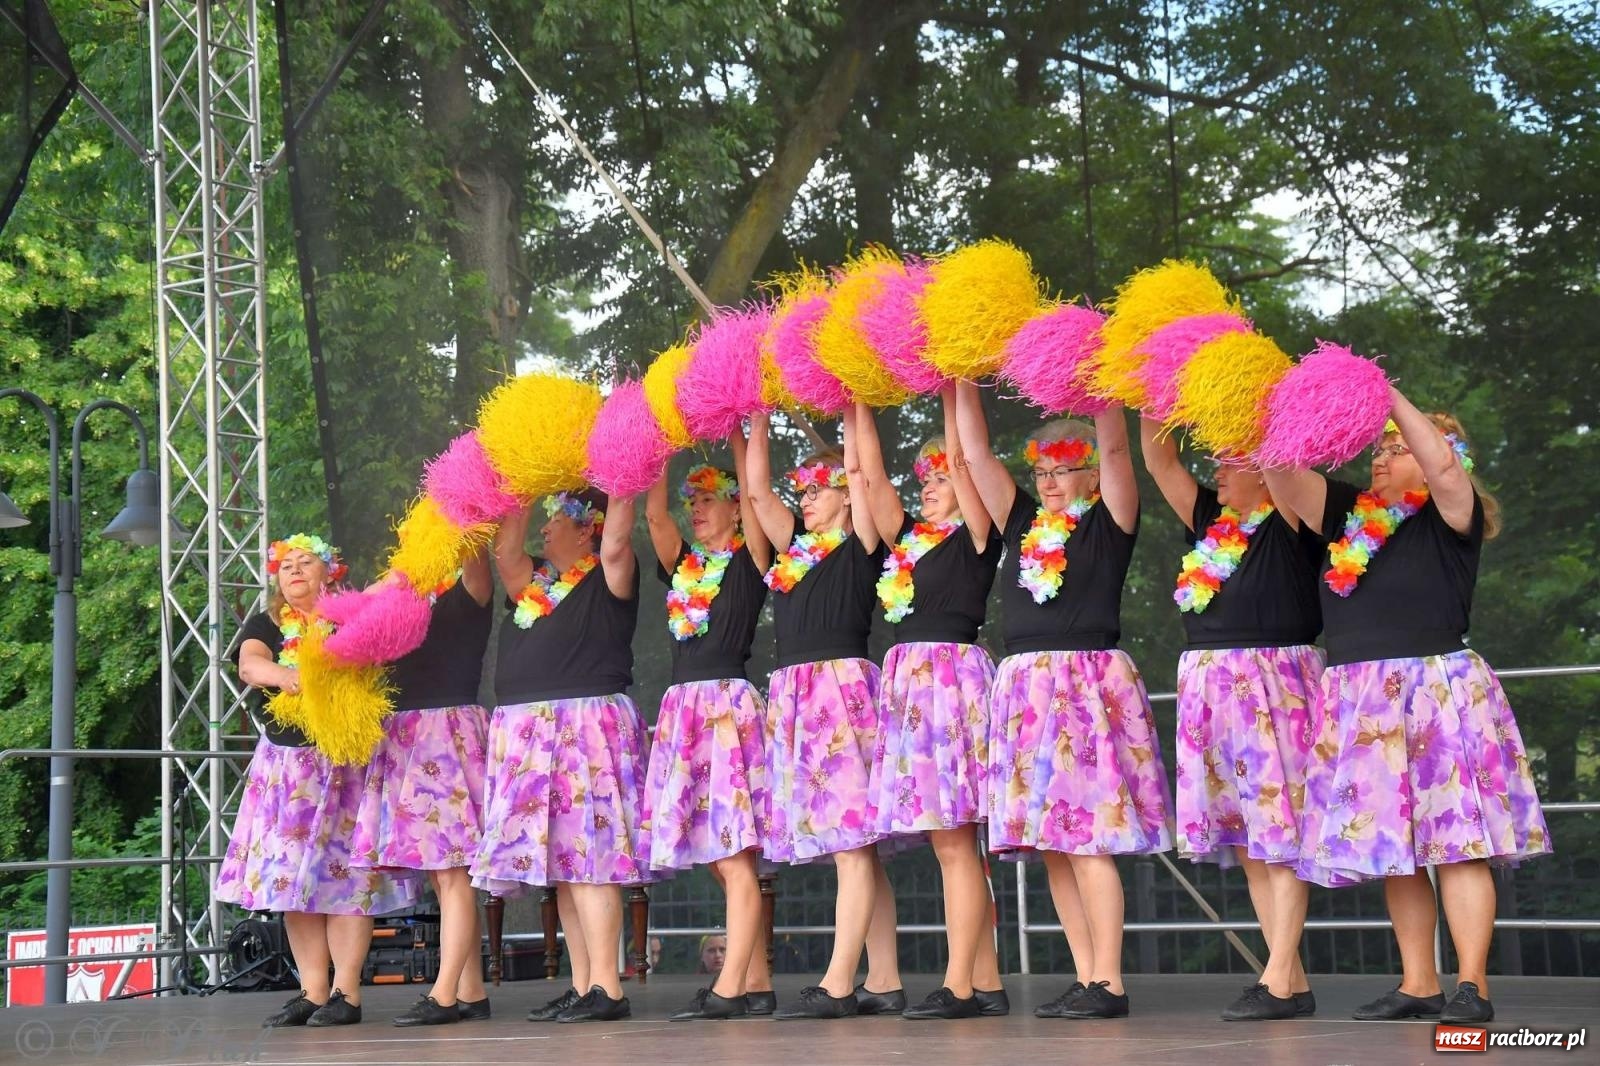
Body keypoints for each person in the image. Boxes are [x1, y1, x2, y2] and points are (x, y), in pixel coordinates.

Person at [1264, 391, 1550, 1025]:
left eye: (1397, 447)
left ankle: (1471, 984)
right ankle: (1419, 983)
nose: (1381, 457)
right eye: (1378, 448)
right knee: (1396, 848)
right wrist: (1268, 411)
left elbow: (1443, 465)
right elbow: (1283, 478)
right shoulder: (1348, 515)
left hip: (1434, 689)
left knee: (1459, 844)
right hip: (1360, 696)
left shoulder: (1450, 512)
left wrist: (1383, 394)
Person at [955, 385, 1171, 1020]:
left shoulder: (1110, 520)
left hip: (1083, 685)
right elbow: (975, 454)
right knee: (1054, 844)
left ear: (1091, 475)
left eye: (1064, 468)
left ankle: (1111, 982)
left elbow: (1117, 449)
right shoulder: (1023, 522)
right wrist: (960, 378)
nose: (1049, 481)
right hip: (1027, 690)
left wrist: (1106, 381)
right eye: (1042, 471)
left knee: (1089, 840)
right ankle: (1086, 975)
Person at [1141, 419, 1322, 1021]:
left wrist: (1254, 409)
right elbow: (1161, 463)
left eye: (1230, 459)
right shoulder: (1208, 523)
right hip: (1212, 691)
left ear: (1264, 473)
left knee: (1280, 836)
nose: (1216, 468)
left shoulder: (1290, 519)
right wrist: (1147, 393)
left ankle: (1276, 979)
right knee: (1249, 842)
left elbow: (1282, 463)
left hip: (1274, 687)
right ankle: (1289, 979)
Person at [217, 534, 421, 1028]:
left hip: (345, 767)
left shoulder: (347, 618)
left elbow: (385, 595)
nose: (293, 570)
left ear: (329, 572)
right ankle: (311, 992)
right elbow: (249, 664)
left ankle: (345, 993)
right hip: (287, 770)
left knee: (347, 880)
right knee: (293, 882)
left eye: (305, 561)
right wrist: (288, 676)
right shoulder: (267, 624)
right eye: (285, 564)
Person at [853, 391, 1008, 1020]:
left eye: (940, 478)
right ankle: (986, 981)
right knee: (951, 844)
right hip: (911, 689)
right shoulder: (910, 542)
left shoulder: (978, 534)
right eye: (926, 479)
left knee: (954, 845)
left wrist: (951, 386)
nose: (929, 487)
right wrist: (854, 401)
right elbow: (868, 479)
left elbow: (968, 459)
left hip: (950, 684)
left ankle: (960, 985)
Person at [745, 411, 903, 1020]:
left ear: (846, 496)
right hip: (796, 696)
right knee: (854, 849)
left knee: (852, 845)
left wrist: (851, 403)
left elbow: (862, 470)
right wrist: (754, 415)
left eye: (818, 489)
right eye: (803, 490)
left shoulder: (862, 544)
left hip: (840, 691)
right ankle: (884, 979)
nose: (806, 499)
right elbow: (757, 492)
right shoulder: (794, 548)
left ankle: (839, 982)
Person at [470, 488, 648, 1024]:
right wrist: (520, 487)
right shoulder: (538, 583)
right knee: (566, 870)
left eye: (556, 521)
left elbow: (617, 536)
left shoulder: (609, 572)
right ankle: (583, 983)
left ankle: (608, 988)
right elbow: (505, 553)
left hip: (583, 724)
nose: (544, 531)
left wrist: (622, 477)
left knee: (592, 861)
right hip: (531, 729)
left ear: (588, 528)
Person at [641, 447, 777, 1021]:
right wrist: (654, 445)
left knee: (734, 856)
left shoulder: (750, 558)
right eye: (691, 500)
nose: (695, 508)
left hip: (726, 709)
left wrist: (742, 433)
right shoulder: (684, 567)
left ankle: (730, 989)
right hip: (685, 710)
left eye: (706, 500)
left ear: (735, 509)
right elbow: (654, 516)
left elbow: (756, 492)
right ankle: (758, 982)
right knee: (719, 861)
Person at [350, 546, 495, 1026]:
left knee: (453, 874)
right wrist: (398, 580)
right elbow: (353, 618)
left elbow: (477, 559)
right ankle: (471, 990)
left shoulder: (467, 587)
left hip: (447, 734)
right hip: (404, 736)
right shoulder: (399, 596)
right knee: (441, 875)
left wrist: (461, 527)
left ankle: (445, 993)